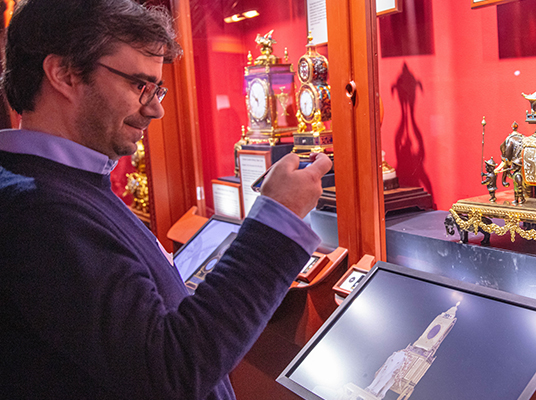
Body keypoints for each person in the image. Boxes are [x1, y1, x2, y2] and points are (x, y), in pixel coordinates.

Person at [0, 1, 332, 399]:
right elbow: (168, 369)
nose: (155, 108)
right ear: (64, 74)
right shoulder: (37, 211)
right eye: (139, 85)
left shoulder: (63, 183)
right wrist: (278, 221)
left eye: (157, 88)